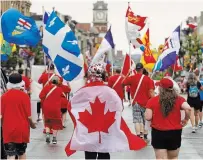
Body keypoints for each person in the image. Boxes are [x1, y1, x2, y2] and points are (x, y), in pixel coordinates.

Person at [65, 63, 146, 159]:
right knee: (104, 152)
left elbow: (71, 105)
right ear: (103, 75)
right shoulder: (109, 91)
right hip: (105, 126)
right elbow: (118, 107)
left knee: (90, 152)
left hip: (88, 128)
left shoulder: (82, 91)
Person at [145, 77, 191, 159]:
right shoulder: (179, 99)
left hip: (158, 133)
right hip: (174, 133)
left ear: (160, 88)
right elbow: (188, 108)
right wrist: (186, 119)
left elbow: (148, 117)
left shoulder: (152, 101)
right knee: (173, 157)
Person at [1, 73, 36, 160]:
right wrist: (33, 125)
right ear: (21, 82)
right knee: (21, 153)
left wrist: (3, 126)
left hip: (8, 130)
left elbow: (1, 116)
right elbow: (29, 117)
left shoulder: (3, 97)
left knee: (10, 155)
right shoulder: (25, 96)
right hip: (22, 129)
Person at [123, 63, 155, 142]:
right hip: (146, 103)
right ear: (142, 69)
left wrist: (128, 73)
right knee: (146, 119)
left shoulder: (132, 78)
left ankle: (139, 136)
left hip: (136, 102)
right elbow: (151, 91)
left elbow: (122, 83)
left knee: (137, 119)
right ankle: (145, 135)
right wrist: (154, 101)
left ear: (136, 70)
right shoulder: (148, 79)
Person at [39, 76, 64, 144]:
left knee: (48, 121)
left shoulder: (46, 87)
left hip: (47, 107)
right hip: (55, 108)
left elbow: (40, 96)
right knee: (55, 122)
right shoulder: (59, 89)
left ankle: (47, 134)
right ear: (57, 82)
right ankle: (54, 139)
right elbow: (63, 96)